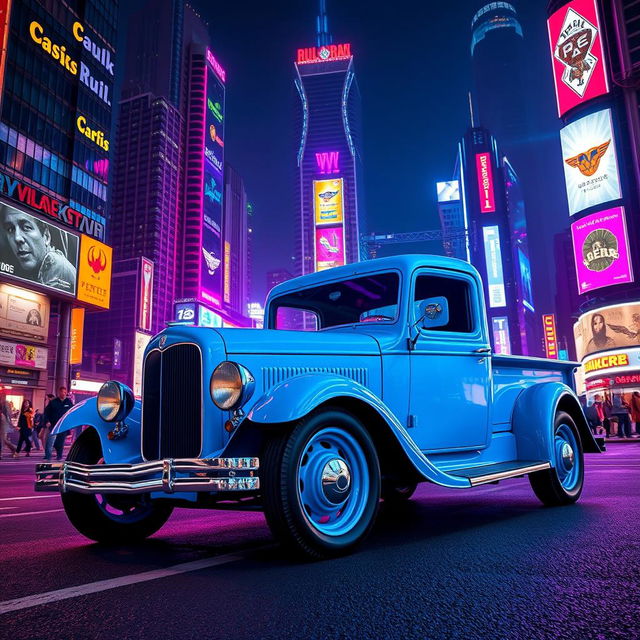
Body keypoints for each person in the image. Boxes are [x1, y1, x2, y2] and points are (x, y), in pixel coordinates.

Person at [0, 205, 76, 292]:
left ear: (46, 237)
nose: (17, 238)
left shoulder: (54, 265)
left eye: (27, 228)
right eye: (10, 229)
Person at [43, 387, 73, 461]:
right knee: (50, 441)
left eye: (64, 392)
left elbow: (71, 413)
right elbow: (46, 412)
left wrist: (70, 423)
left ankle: (59, 456)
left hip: (63, 425)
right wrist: (47, 421)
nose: (63, 393)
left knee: (61, 441)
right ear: (59, 392)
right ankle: (47, 456)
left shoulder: (68, 402)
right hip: (53, 425)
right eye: (62, 392)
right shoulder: (53, 402)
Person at [0, 393, 17, 459]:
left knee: (2, 438)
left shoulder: (5, 403)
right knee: (3, 439)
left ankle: (1, 453)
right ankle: (14, 449)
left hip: (2, 421)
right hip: (3, 421)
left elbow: (8, 414)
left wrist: (10, 423)